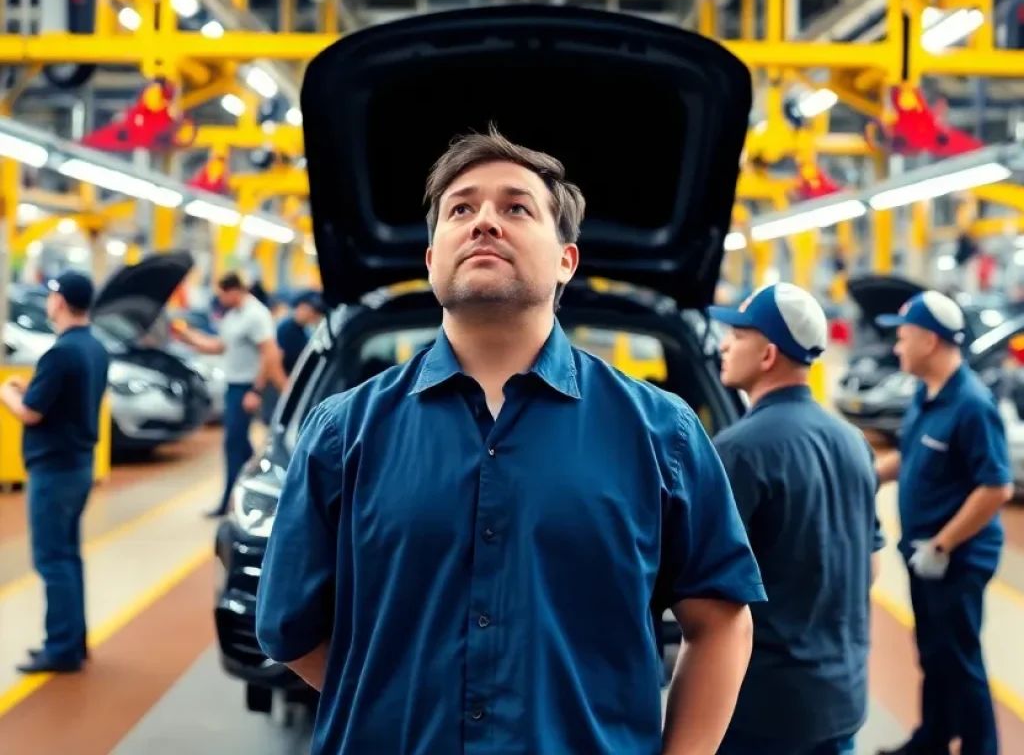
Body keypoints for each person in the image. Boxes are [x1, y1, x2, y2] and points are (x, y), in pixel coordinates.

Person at [256, 127, 766, 755]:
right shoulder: (342, 432)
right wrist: (388, 705)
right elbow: (288, 626)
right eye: (460, 208)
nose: (484, 223)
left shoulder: (664, 434)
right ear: (431, 257)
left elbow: (719, 623)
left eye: (516, 207)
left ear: (565, 260)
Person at [708, 283, 886, 755]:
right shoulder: (853, 443)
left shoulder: (739, 450)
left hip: (767, 713)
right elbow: (870, 567)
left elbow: (702, 587)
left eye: (737, 334)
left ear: (768, 354)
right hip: (841, 700)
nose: (724, 344)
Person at [874, 290, 1013, 755]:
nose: (897, 347)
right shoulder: (925, 394)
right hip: (922, 554)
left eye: (904, 337)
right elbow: (913, 454)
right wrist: (869, 473)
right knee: (933, 653)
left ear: (930, 341)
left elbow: (996, 487)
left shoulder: (972, 405)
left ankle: (981, 747)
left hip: (956, 558)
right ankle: (932, 739)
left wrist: (943, 545)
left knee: (960, 659)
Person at [0, 271, 110, 674]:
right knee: (68, 557)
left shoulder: (59, 353)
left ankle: (61, 648)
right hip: (79, 465)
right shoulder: (95, 348)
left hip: (54, 470)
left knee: (52, 560)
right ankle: (73, 640)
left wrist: (7, 392)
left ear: (60, 303)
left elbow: (31, 411)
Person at [172, 272, 287, 517]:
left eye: (223, 293)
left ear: (235, 290)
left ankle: (229, 502)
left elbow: (270, 354)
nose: (220, 298)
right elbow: (219, 346)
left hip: (246, 387)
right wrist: (187, 336)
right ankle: (260, 487)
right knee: (239, 445)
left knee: (232, 445)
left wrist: (256, 390)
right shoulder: (233, 316)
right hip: (233, 386)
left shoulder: (256, 315)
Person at [276, 291, 325, 378]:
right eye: (310, 309)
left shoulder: (305, 329)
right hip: (286, 378)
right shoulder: (287, 328)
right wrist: (285, 387)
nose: (312, 314)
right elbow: (276, 361)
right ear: (300, 306)